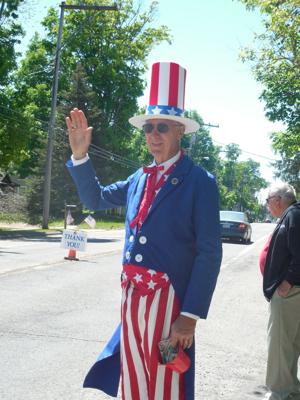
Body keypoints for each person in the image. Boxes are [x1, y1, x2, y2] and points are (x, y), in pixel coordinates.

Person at [66, 61, 222, 399]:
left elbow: (210, 254)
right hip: (132, 300)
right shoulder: (139, 178)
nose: (154, 135)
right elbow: (95, 199)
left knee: (166, 382)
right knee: (134, 378)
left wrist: (189, 316)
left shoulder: (200, 182)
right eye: (149, 127)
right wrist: (80, 156)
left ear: (180, 131)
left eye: (162, 127)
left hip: (170, 304)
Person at [260, 183, 300, 400]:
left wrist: (288, 281)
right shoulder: (293, 215)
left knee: (280, 345)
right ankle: (291, 390)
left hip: (290, 293)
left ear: (277, 199)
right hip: (292, 292)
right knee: (290, 344)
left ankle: (280, 394)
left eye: (267, 201)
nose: (267, 206)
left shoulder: (293, 215)